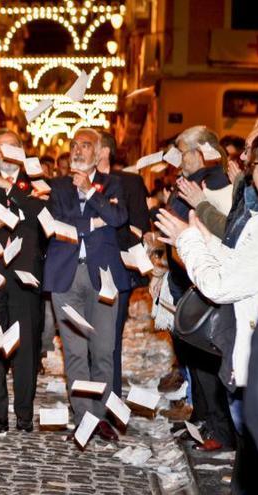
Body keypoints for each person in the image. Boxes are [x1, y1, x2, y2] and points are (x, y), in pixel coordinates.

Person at [156, 137, 258, 494]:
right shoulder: (257, 218)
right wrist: (199, 240)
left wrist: (189, 240)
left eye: (254, 168)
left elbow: (220, 284)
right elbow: (235, 260)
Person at [44, 128, 128, 443]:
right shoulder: (56, 187)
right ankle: (84, 419)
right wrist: (91, 224)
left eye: (85, 146)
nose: (78, 150)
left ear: (98, 153)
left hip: (104, 278)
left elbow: (118, 217)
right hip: (65, 276)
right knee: (76, 353)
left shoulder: (113, 184)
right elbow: (52, 224)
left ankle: (102, 416)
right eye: (74, 145)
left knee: (104, 351)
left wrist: (92, 192)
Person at [0, 129, 46, 434]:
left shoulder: (37, 184)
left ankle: (24, 415)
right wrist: (1, 193)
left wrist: (10, 190)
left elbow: (40, 215)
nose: (5, 154)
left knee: (24, 347)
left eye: (11, 147)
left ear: (21, 151)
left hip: (24, 275)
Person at [97, 132, 151, 396]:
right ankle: (89, 397)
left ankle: (111, 398)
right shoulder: (70, 184)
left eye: (86, 146)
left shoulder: (130, 182)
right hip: (80, 269)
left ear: (104, 151)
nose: (78, 152)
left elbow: (140, 227)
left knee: (112, 339)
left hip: (117, 270)